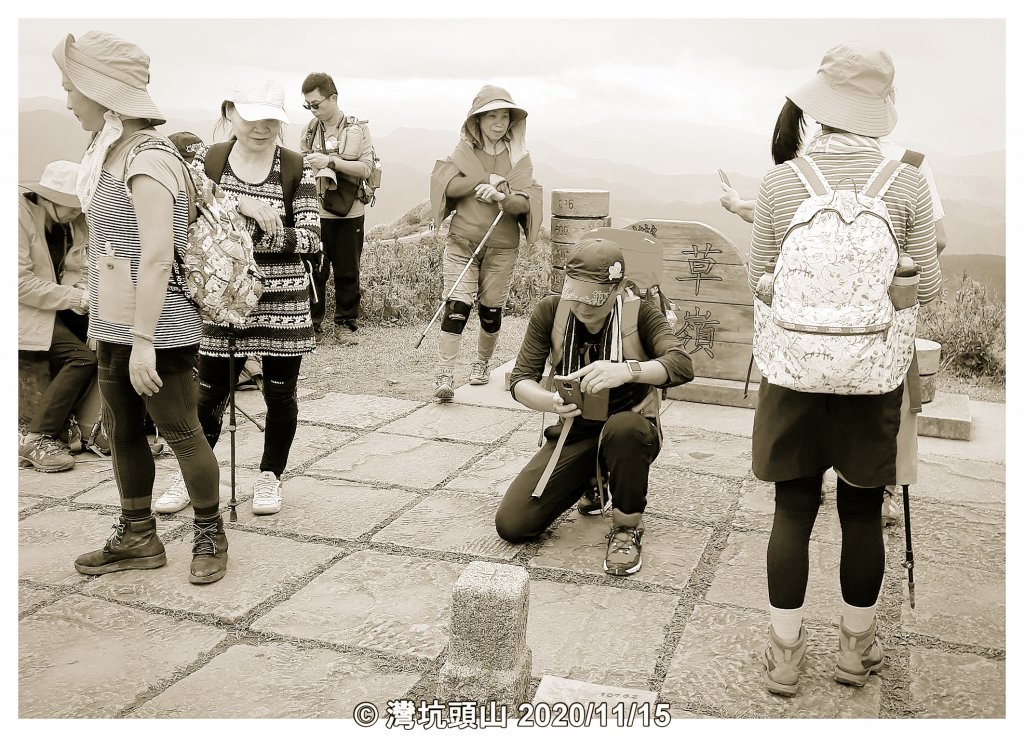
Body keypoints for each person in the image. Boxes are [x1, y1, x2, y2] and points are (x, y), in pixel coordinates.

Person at [746, 42, 940, 696]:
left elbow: (758, 280)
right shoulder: (907, 182)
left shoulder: (781, 180)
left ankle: (784, 654)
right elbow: (928, 288)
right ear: (878, 110)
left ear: (819, 108)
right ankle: (855, 652)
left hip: (792, 374)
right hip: (874, 378)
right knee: (861, 515)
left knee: (792, 510)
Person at [54, 31, 226, 584]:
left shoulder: (149, 160)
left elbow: (155, 258)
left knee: (179, 429)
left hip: (160, 324)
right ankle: (137, 534)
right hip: (113, 319)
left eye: (71, 87)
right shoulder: (111, 152)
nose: (66, 99)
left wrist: (145, 341)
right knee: (123, 429)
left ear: (102, 93)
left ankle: (209, 532)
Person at [154, 81, 322, 517]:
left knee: (280, 395)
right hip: (219, 298)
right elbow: (182, 212)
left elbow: (309, 239)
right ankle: (192, 473)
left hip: (282, 303)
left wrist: (256, 234)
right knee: (208, 395)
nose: (262, 128)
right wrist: (243, 206)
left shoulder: (295, 167)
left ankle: (270, 476)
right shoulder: (205, 161)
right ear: (230, 111)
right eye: (252, 117)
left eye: (272, 120)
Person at [494, 232, 693, 576]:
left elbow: (681, 364)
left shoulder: (640, 314)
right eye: (578, 296)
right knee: (514, 524)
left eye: (595, 298)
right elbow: (520, 380)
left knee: (624, 429)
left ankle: (627, 528)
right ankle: (593, 482)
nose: (584, 307)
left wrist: (626, 372)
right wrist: (551, 401)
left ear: (618, 289)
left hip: (630, 429)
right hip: (574, 430)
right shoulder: (551, 311)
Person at [428, 84, 543, 400]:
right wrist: (483, 180)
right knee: (457, 307)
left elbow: (525, 203)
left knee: (491, 311)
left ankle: (481, 364)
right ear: (476, 121)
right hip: (462, 241)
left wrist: (502, 196)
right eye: (490, 116)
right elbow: (447, 186)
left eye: (504, 116)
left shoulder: (518, 158)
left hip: (502, 247)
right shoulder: (464, 152)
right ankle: (445, 376)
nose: (498, 122)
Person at [18, 160, 94, 472]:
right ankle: (37, 436)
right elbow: (18, 284)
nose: (78, 212)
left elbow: (76, 267)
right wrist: (76, 296)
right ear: (49, 199)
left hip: (53, 305)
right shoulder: (16, 217)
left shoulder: (67, 223)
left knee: (109, 343)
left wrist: (82, 289)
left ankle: (94, 428)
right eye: (72, 206)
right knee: (82, 358)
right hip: (25, 310)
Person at [299, 72, 374, 340]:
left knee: (347, 270)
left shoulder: (358, 129)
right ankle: (312, 324)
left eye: (316, 104)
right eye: (308, 105)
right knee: (314, 270)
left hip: (350, 211)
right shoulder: (310, 130)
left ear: (333, 98)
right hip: (316, 211)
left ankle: (346, 323)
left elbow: (366, 168)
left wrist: (330, 163)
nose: (313, 110)